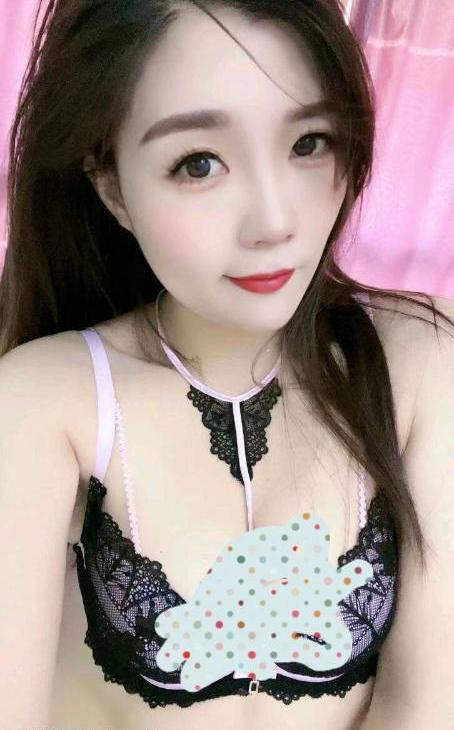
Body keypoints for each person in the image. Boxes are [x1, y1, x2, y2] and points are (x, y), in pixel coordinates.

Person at [1, 1, 453, 729]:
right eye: (199, 163)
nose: (274, 221)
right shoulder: (44, 404)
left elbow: (426, 711)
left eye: (308, 142)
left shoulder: (423, 362)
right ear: (111, 185)